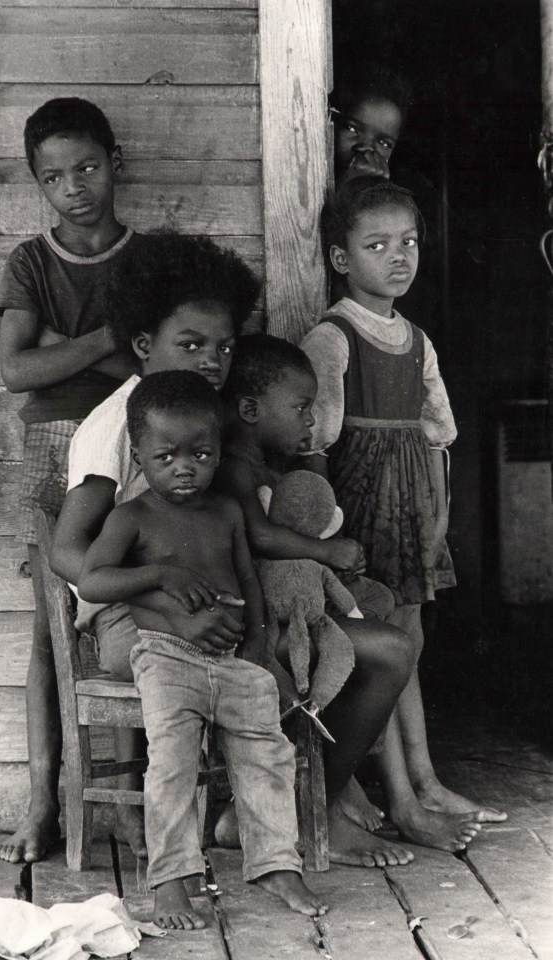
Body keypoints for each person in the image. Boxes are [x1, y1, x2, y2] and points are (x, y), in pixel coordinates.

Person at [77, 371, 329, 929]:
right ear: (138, 456)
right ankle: (171, 881)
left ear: (218, 452)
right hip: (166, 658)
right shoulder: (131, 518)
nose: (184, 467)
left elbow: (248, 579)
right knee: (170, 766)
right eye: (166, 456)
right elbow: (93, 582)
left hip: (236, 659)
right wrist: (161, 575)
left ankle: (276, 867)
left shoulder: (226, 512)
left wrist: (260, 644)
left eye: (201, 454)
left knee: (268, 754)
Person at [300, 176, 505, 851]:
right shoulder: (332, 337)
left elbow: (437, 432)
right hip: (362, 508)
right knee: (381, 645)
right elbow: (317, 441)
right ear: (341, 259)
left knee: (409, 645)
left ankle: (424, 779)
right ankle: (399, 797)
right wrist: (331, 529)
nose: (397, 257)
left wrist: (436, 516)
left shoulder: (415, 338)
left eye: (408, 243)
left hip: (412, 506)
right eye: (377, 244)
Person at [49, 231, 260, 859]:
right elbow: (69, 554)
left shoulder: (204, 422)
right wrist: (164, 588)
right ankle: (196, 832)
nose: (211, 360)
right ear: (144, 346)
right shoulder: (122, 424)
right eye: (190, 344)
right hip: (126, 607)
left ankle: (245, 811)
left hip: (193, 595)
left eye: (223, 347)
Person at [0, 96, 151, 864]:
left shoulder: (148, 262)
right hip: (52, 446)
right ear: (38, 186)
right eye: (53, 177)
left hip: (132, 442)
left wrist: (70, 347)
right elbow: (16, 369)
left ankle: (122, 806)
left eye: (86, 167)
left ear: (115, 162)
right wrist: (102, 341)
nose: (73, 187)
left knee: (120, 611)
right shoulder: (30, 261)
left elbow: (157, 367)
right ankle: (41, 805)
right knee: (47, 630)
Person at [215, 333, 420, 868]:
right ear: (251, 409)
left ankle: (274, 810)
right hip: (252, 632)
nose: (312, 420)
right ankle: (319, 811)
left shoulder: (265, 465)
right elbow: (259, 538)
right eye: (302, 407)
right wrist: (324, 552)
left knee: (381, 629)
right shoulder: (236, 465)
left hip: (284, 620)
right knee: (394, 651)